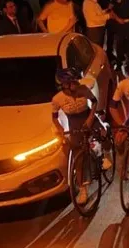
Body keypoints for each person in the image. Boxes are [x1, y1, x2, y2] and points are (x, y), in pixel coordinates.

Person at [51, 67, 111, 204]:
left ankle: (106, 154)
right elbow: (54, 118)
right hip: (74, 122)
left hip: (88, 115)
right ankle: (83, 189)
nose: (76, 84)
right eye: (73, 82)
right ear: (64, 84)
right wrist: (61, 130)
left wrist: (90, 119)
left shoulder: (83, 89)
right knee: (78, 158)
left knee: (102, 132)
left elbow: (94, 102)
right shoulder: (57, 99)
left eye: (76, 81)